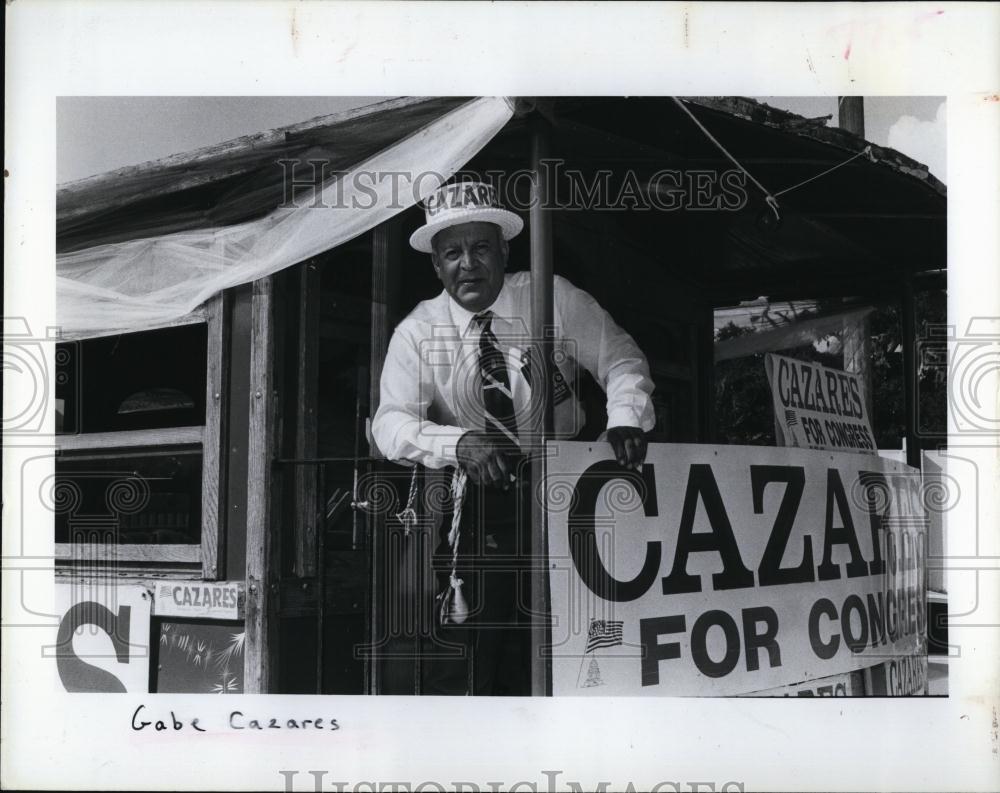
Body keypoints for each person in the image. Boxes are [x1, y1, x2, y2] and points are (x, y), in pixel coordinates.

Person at [372, 181, 655, 695]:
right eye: (452, 253)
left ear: (503, 250)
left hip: (570, 497)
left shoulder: (550, 296)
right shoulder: (417, 330)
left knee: (578, 642)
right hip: (481, 505)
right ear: (436, 265)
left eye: (481, 248)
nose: (468, 265)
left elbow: (621, 357)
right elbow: (389, 424)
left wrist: (625, 415)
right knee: (474, 649)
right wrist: (457, 443)